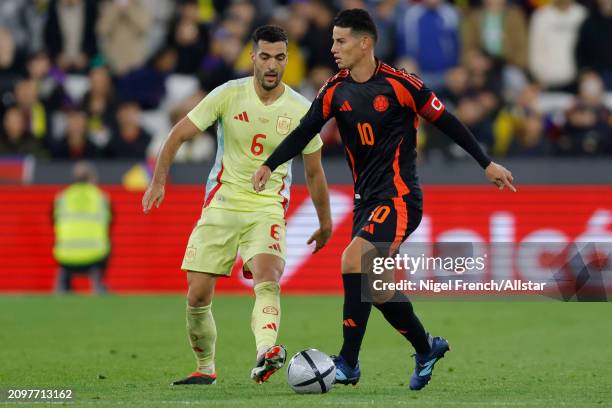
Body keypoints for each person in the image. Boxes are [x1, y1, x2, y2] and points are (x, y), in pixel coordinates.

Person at [252, 9, 515, 391]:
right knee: (375, 287)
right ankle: (426, 348)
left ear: (365, 43)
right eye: (333, 40)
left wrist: (485, 163)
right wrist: (269, 163)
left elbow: (448, 121)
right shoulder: (334, 90)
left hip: (400, 198)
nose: (333, 48)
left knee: (352, 261)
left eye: (341, 41)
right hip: (365, 203)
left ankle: (348, 363)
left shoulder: (401, 84)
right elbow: (304, 131)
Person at [142, 25, 332, 385]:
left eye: (279, 57)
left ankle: (265, 352)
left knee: (268, 277)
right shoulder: (228, 94)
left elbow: (315, 173)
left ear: (287, 60)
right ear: (253, 57)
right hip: (223, 203)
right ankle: (205, 368)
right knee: (197, 295)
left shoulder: (302, 110)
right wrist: (158, 180)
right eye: (265, 57)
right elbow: (178, 133)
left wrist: (325, 222)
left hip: (267, 207)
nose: (272, 65)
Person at [53, 161, 111, 293]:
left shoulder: (62, 198)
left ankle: (64, 286)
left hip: (65, 256)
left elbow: (54, 222)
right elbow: (109, 223)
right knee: (107, 241)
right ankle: (99, 283)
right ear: (92, 178)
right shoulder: (101, 197)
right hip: (95, 256)